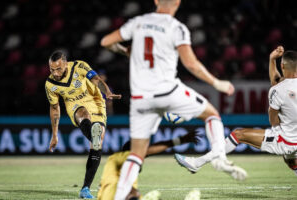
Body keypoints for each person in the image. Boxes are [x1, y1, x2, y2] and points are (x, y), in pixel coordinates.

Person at [100, 0, 246, 198]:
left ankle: (118, 198)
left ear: (156, 1)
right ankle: (219, 156)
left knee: (136, 154)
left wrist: (124, 50)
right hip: (169, 91)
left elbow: (105, 42)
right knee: (211, 114)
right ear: (177, 3)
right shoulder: (177, 28)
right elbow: (191, 64)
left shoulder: (138, 22)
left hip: (141, 98)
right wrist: (216, 83)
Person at [176, 46, 297, 176]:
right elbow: (277, 82)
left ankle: (197, 163)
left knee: (238, 134)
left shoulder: (278, 90)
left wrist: (278, 133)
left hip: (286, 140)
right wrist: (272, 59)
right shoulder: (280, 87)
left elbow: (273, 117)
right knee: (291, 161)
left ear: (282, 66)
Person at [45, 50, 121, 198]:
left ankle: (85, 188)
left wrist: (106, 90)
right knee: (83, 115)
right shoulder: (50, 84)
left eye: (58, 69)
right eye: (52, 69)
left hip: (95, 101)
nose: (55, 73)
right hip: (74, 105)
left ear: (66, 64)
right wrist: (54, 135)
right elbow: (55, 108)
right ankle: (94, 132)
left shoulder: (79, 66)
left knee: (96, 144)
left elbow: (96, 80)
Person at [97, 130, 199, 200]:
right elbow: (152, 149)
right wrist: (181, 140)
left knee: (135, 193)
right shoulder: (125, 157)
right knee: (134, 193)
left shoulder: (116, 163)